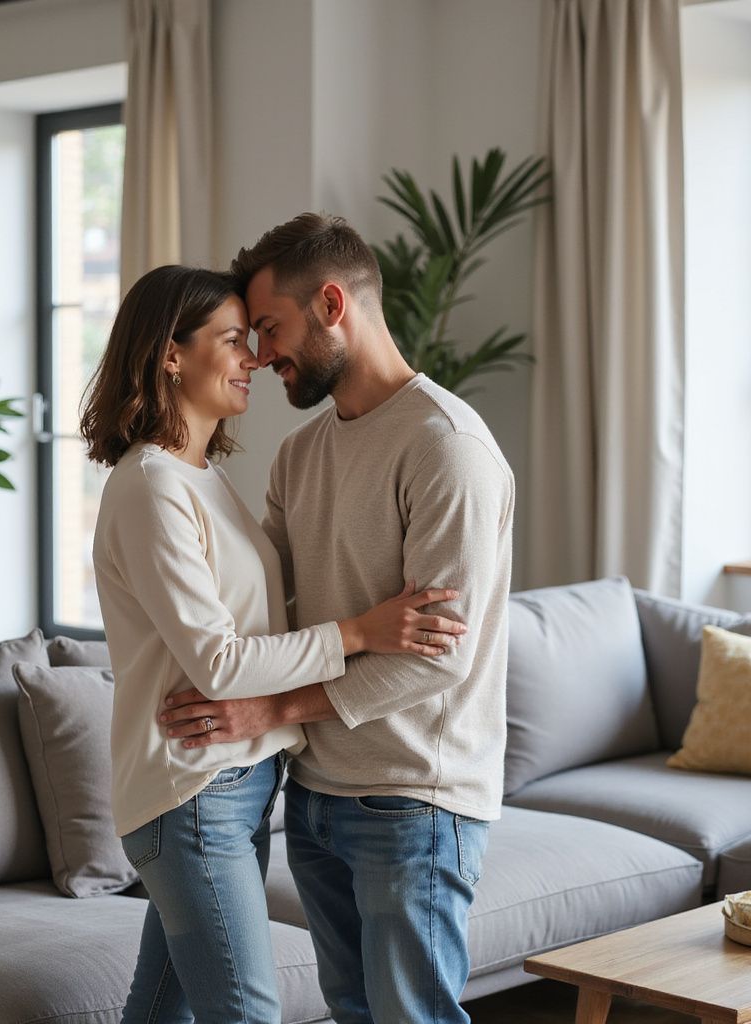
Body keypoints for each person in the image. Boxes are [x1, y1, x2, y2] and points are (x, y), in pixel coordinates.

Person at [80, 264, 466, 1024]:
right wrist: (359, 631)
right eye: (232, 339)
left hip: (232, 790)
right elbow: (219, 663)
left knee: (160, 1010)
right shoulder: (152, 485)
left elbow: (258, 625)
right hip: (194, 793)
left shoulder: (199, 477)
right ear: (170, 355)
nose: (253, 357)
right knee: (246, 1012)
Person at [160, 215, 515, 1024]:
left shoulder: (446, 446)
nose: (259, 355)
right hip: (317, 793)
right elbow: (267, 610)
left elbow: (433, 659)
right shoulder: (301, 454)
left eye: (270, 329)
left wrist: (271, 709)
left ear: (330, 304)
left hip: (413, 799)